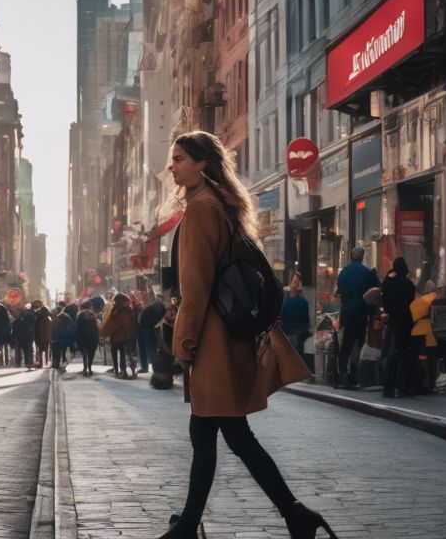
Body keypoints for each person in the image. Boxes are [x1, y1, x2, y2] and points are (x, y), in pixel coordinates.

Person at [161, 130, 329, 539]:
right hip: (227, 337)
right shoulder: (223, 203)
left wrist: (182, 342)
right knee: (225, 434)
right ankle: (293, 516)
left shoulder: (201, 208)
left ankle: (287, 515)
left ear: (202, 163)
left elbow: (196, 286)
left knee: (217, 433)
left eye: (179, 158)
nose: (172, 166)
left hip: (212, 341)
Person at [336, 246, 379, 389]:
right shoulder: (367, 273)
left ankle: (343, 375)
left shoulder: (343, 274)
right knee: (358, 346)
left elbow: (340, 293)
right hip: (361, 315)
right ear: (362, 257)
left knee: (345, 346)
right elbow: (374, 294)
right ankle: (354, 375)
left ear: (350, 255)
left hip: (347, 315)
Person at [380, 257, 416, 399]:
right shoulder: (408, 285)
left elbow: (384, 302)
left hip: (393, 322)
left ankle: (388, 387)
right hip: (405, 323)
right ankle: (403, 387)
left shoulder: (387, 283)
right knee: (405, 355)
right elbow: (411, 304)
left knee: (393, 354)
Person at [101, 292, 137, 378]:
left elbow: (111, 323)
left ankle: (117, 370)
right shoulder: (128, 309)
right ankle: (123, 370)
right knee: (123, 354)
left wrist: (104, 333)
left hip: (115, 335)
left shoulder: (115, 310)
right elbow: (131, 322)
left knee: (115, 353)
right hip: (126, 335)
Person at [138, 294, 168, 374]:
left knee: (149, 350)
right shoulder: (160, 308)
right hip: (147, 328)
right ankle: (153, 369)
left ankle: (147, 368)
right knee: (151, 350)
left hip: (146, 328)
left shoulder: (155, 306)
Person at [280, 282, 311, 357]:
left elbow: (282, 316)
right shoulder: (304, 302)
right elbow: (306, 319)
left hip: (289, 330)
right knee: (299, 352)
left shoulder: (287, 302)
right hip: (300, 331)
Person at [75, 301, 101, 377]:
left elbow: (77, 327)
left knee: (84, 353)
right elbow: (96, 327)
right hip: (93, 337)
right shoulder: (93, 315)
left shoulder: (80, 315)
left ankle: (85, 368)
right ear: (89, 307)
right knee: (91, 353)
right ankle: (90, 368)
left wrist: (77, 338)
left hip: (83, 336)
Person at [12, 304, 36, 369]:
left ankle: (18, 363)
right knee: (28, 350)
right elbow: (33, 326)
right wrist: (33, 336)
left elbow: (14, 329)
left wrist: (13, 337)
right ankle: (29, 363)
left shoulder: (17, 319)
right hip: (28, 336)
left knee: (19, 351)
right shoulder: (30, 317)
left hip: (19, 337)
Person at [50, 303, 73, 371]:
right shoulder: (67, 317)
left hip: (55, 337)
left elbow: (52, 327)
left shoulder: (54, 317)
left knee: (56, 352)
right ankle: (61, 365)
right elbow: (70, 328)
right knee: (63, 352)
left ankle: (55, 364)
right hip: (64, 338)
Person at [33, 301, 53, 368]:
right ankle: (47, 362)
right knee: (47, 350)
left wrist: (38, 337)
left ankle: (41, 363)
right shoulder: (49, 315)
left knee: (40, 351)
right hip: (48, 336)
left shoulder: (40, 315)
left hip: (41, 336)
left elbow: (39, 327)